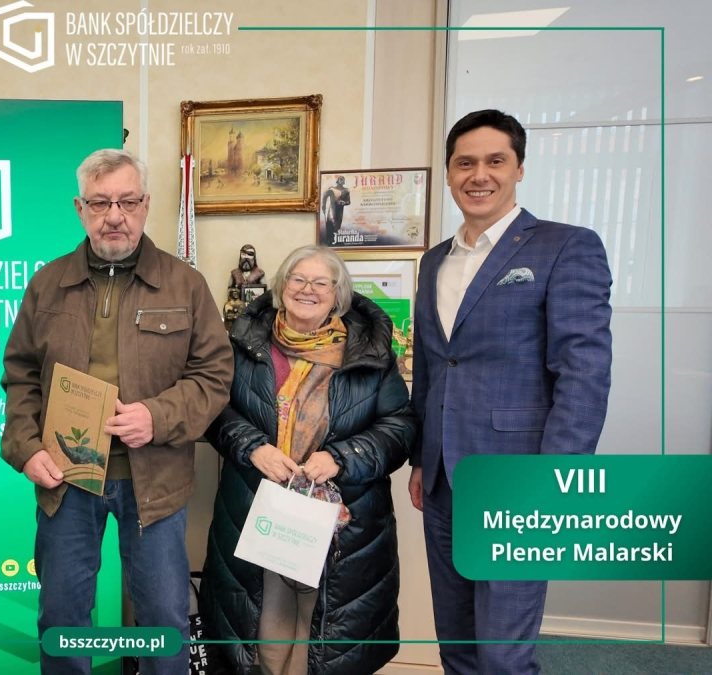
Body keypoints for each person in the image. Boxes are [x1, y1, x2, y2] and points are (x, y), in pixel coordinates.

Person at [0, 149, 234, 675]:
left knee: (163, 619)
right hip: (67, 477)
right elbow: (20, 375)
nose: (114, 215)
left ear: (146, 205)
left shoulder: (185, 285)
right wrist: (26, 449)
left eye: (127, 202)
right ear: (79, 208)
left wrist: (158, 416)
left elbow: (215, 376)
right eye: (100, 202)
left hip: (155, 481)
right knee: (61, 617)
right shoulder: (47, 284)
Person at [410, 109, 613, 674]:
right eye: (465, 163)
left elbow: (584, 373)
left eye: (495, 161)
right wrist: (421, 457)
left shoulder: (565, 247)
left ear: (519, 168)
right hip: (444, 478)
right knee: (457, 643)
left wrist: (558, 478)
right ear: (449, 173)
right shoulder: (433, 261)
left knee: (502, 654)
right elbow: (432, 365)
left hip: (517, 478)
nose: (479, 175)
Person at [199, 245, 414, 675]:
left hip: (340, 525)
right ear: (281, 287)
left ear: (338, 295)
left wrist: (342, 457)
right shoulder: (243, 342)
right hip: (260, 511)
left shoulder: (369, 351)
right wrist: (253, 447)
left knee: (321, 638)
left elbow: (401, 426)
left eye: (321, 282)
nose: (307, 290)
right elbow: (213, 409)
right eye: (298, 279)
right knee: (264, 632)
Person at [320, 175, 350, 245]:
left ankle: (334, 242)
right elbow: (324, 196)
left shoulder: (346, 191)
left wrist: (344, 202)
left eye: (343, 179)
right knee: (330, 224)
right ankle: (328, 241)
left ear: (344, 181)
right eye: (340, 179)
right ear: (337, 181)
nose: (341, 180)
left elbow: (348, 202)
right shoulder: (332, 189)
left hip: (340, 211)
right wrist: (323, 205)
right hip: (332, 209)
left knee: (337, 226)